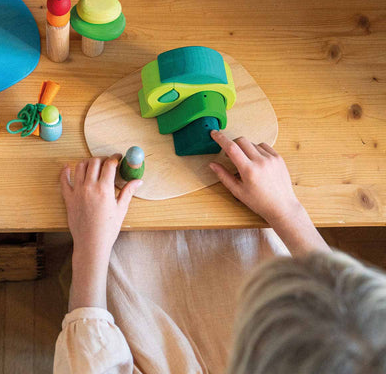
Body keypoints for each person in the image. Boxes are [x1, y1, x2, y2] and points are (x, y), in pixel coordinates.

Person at [54, 129, 386, 373]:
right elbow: (347, 298)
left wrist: (89, 245)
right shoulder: (362, 339)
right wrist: (287, 210)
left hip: (139, 310)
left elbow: (90, 362)